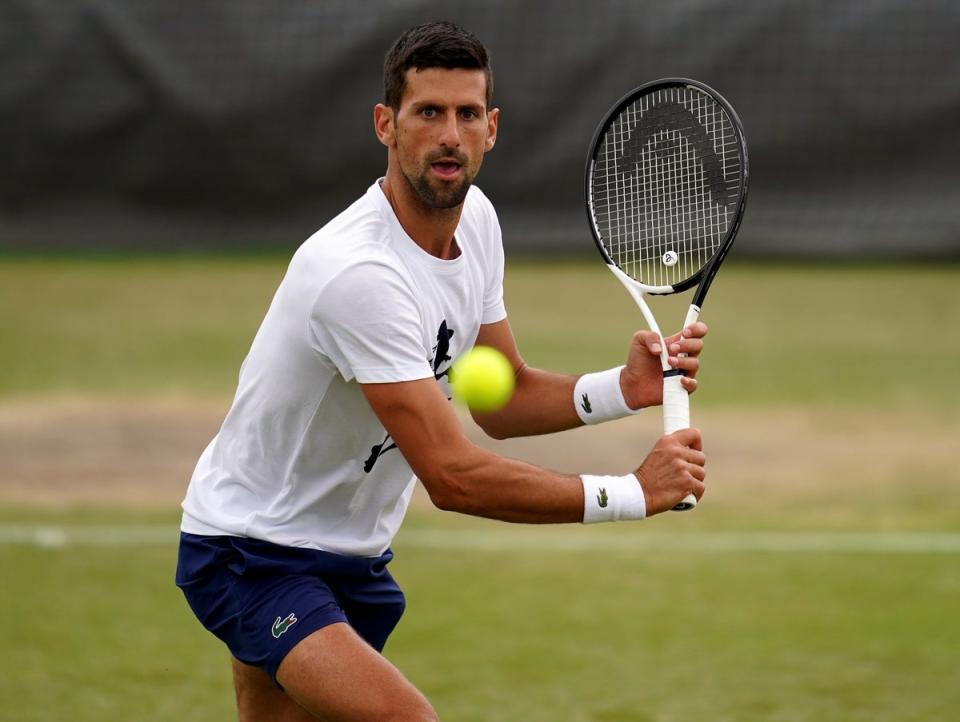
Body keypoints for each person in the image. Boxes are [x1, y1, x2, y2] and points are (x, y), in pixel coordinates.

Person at [175, 20, 708, 722]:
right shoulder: (358, 274)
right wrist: (632, 493)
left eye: (465, 115)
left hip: (350, 552)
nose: (449, 134)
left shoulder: (476, 224)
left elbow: (504, 396)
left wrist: (622, 389)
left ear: (491, 129)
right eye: (428, 112)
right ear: (386, 125)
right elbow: (453, 476)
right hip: (253, 552)